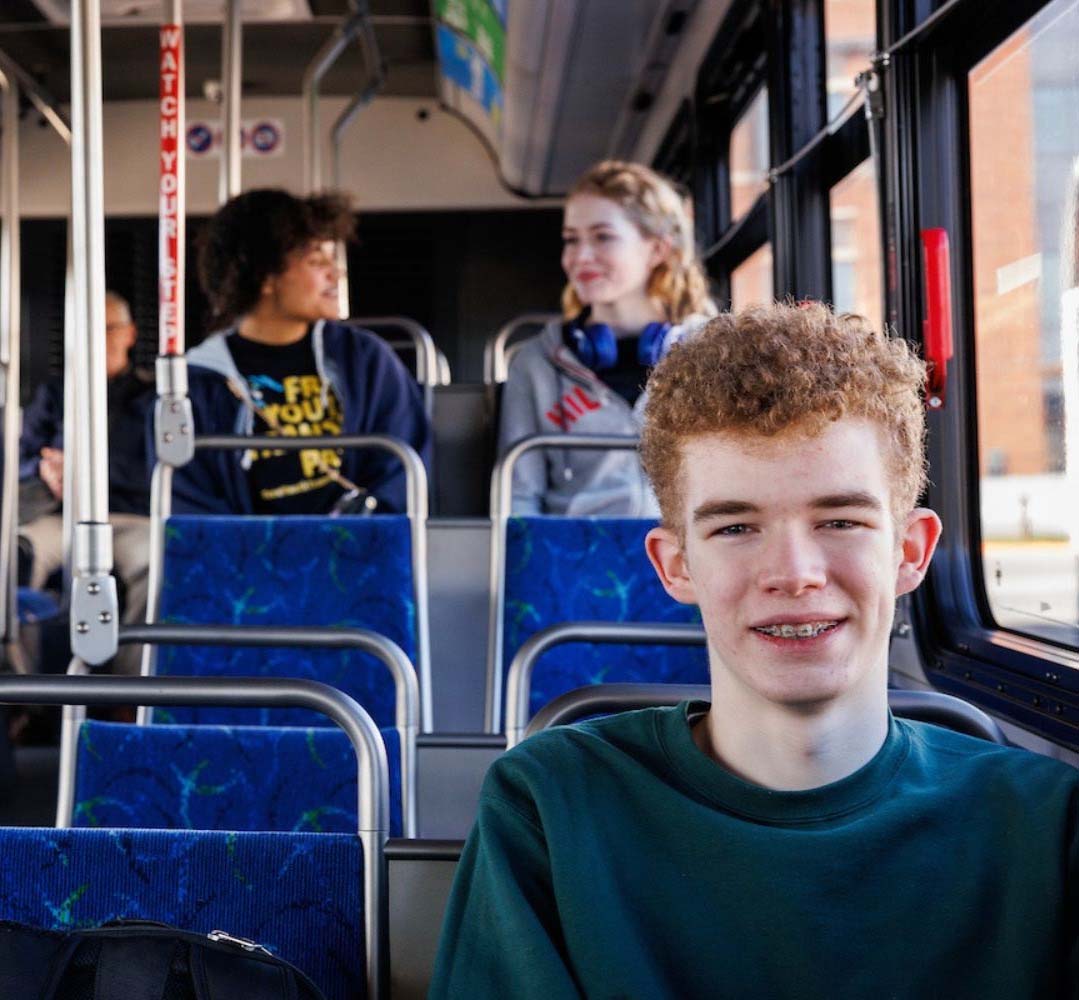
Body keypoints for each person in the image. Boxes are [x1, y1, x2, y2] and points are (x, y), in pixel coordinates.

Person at [431, 303, 1079, 999]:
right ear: (674, 565)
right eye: (736, 527)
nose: (793, 572)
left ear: (909, 551)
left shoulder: (1045, 824)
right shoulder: (553, 804)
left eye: (839, 520)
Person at [176, 188, 430, 515]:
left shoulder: (365, 360)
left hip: (356, 551)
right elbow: (191, 504)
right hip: (246, 557)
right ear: (265, 277)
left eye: (332, 260)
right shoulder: (197, 383)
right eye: (315, 261)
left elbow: (402, 471)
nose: (335, 273)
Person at [497, 160, 716, 516]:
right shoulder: (536, 364)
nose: (580, 257)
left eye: (603, 237)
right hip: (581, 558)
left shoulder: (712, 350)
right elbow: (520, 498)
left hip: (691, 556)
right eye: (571, 240)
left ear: (657, 250)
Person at [18, 291, 154, 674]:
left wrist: (83, 469)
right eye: (89, 329)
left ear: (129, 334)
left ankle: (131, 694)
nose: (100, 337)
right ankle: (22, 689)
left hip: (129, 518)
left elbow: (159, 470)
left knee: (153, 564)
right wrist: (44, 471)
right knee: (17, 552)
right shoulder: (56, 392)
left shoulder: (153, 396)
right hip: (63, 517)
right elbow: (23, 458)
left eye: (110, 328)